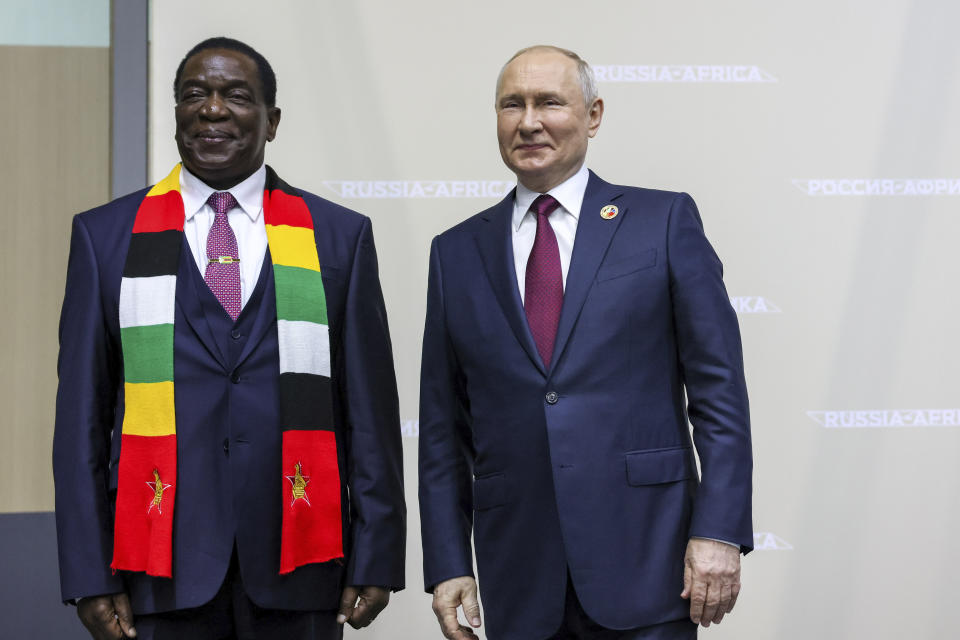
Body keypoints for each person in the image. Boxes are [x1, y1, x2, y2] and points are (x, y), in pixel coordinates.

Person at [53, 37, 405, 640]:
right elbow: (81, 420)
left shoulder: (338, 237)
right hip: (158, 568)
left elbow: (369, 411)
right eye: (194, 94)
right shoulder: (105, 236)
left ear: (272, 121)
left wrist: (376, 554)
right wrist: (89, 572)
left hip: (302, 563)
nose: (212, 109)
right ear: (175, 114)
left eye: (236, 96)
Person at [418, 45, 753, 640]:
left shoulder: (664, 221)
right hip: (518, 574)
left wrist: (720, 530)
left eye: (549, 102)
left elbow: (719, 394)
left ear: (593, 115)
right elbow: (443, 430)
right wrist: (448, 563)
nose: (529, 122)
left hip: (649, 563)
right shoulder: (455, 252)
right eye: (511, 105)